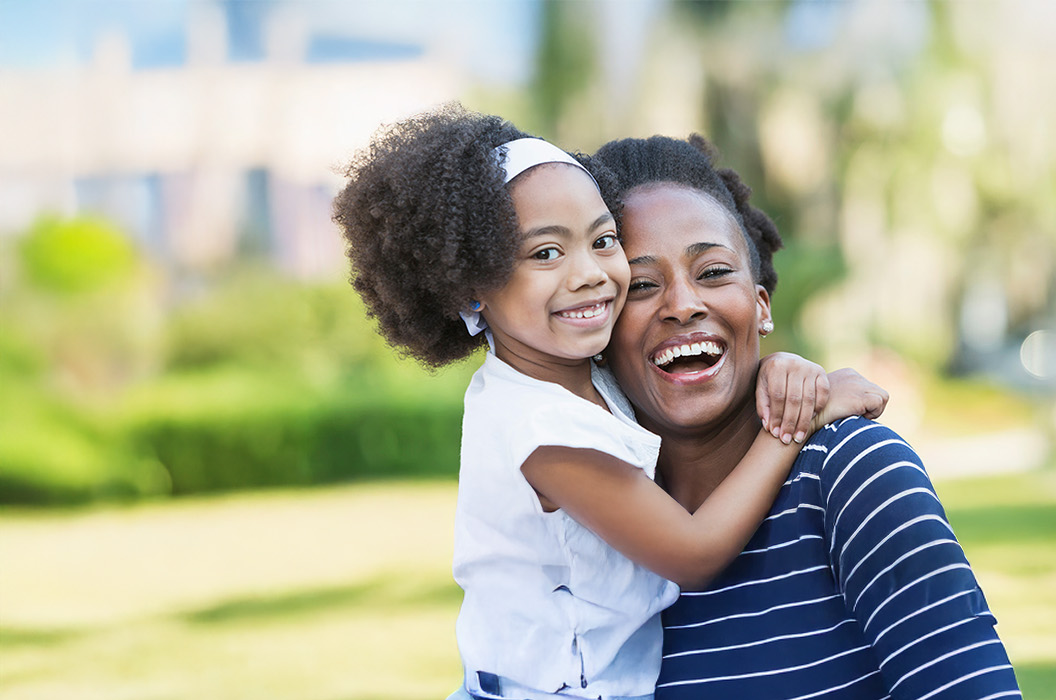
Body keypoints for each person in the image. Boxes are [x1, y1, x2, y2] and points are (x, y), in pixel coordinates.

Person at [332, 105, 884, 700]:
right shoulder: (539, 428)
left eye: (603, 241)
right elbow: (693, 553)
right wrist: (791, 425)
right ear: (472, 285)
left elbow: (700, 371)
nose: (589, 273)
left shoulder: (586, 378)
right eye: (546, 253)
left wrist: (784, 371)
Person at [589, 134, 1022, 699]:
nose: (683, 304)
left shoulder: (853, 472)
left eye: (714, 272)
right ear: (595, 328)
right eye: (642, 286)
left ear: (761, 304)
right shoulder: (598, 523)